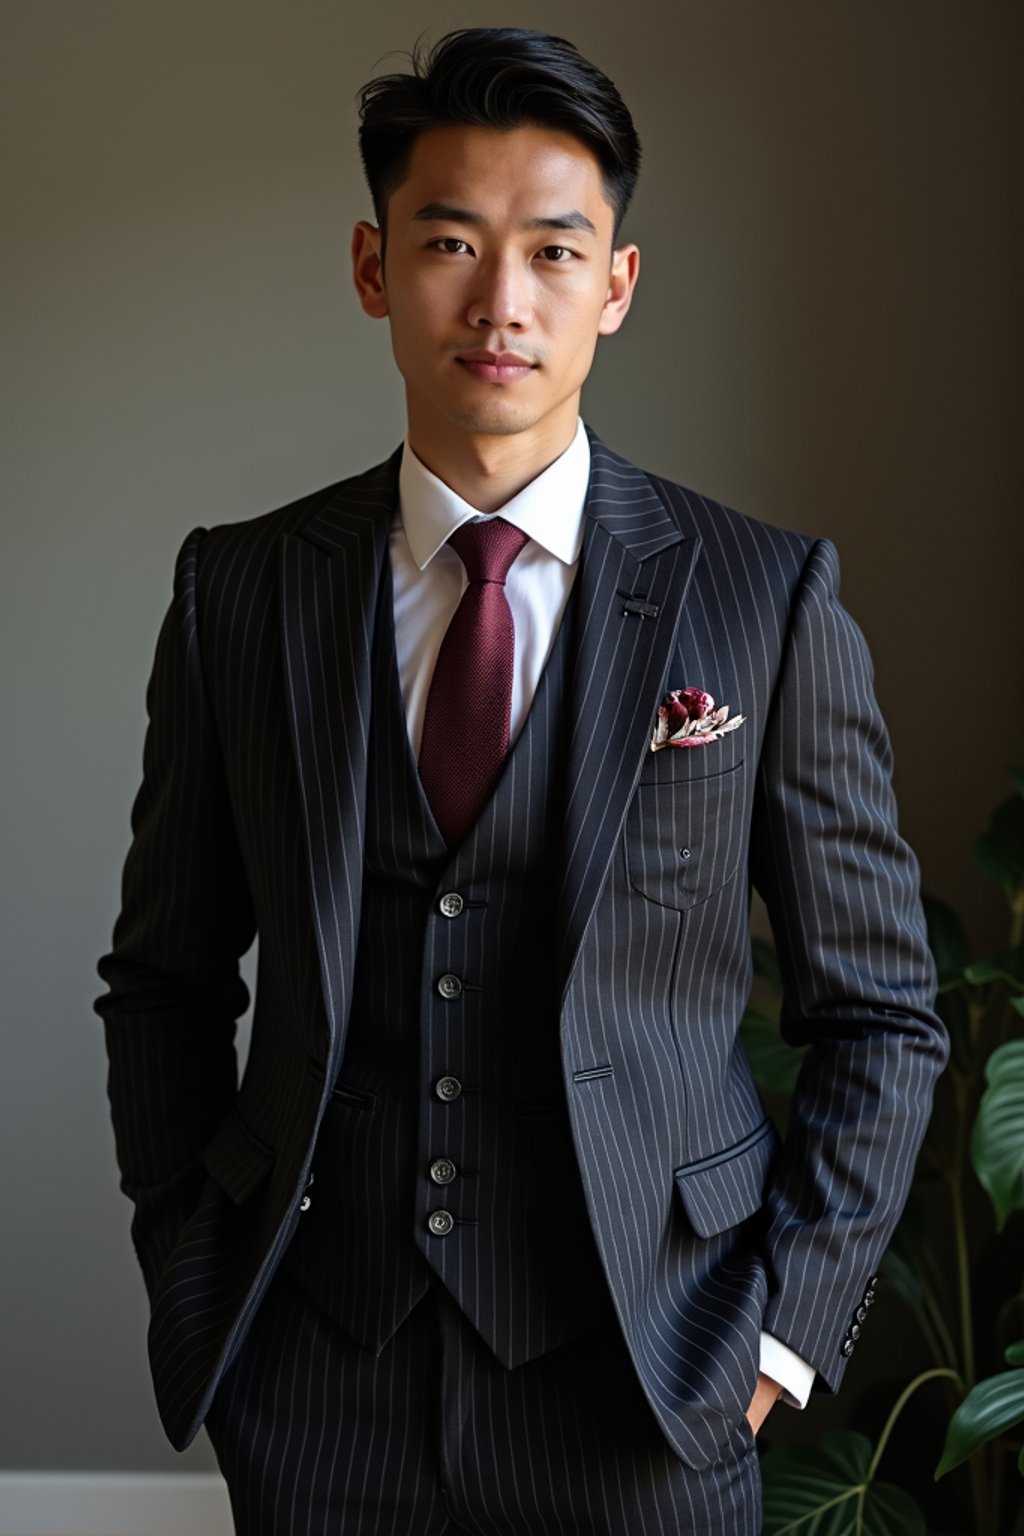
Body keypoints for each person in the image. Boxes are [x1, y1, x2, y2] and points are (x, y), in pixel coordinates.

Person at [96, 27, 946, 1536]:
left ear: (615, 287)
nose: (502, 300)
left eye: (556, 250)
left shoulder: (763, 599)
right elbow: (164, 978)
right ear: (374, 268)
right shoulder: (240, 595)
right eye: (449, 243)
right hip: (318, 1378)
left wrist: (779, 1342)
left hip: (655, 1375)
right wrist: (197, 1275)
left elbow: (880, 1012)